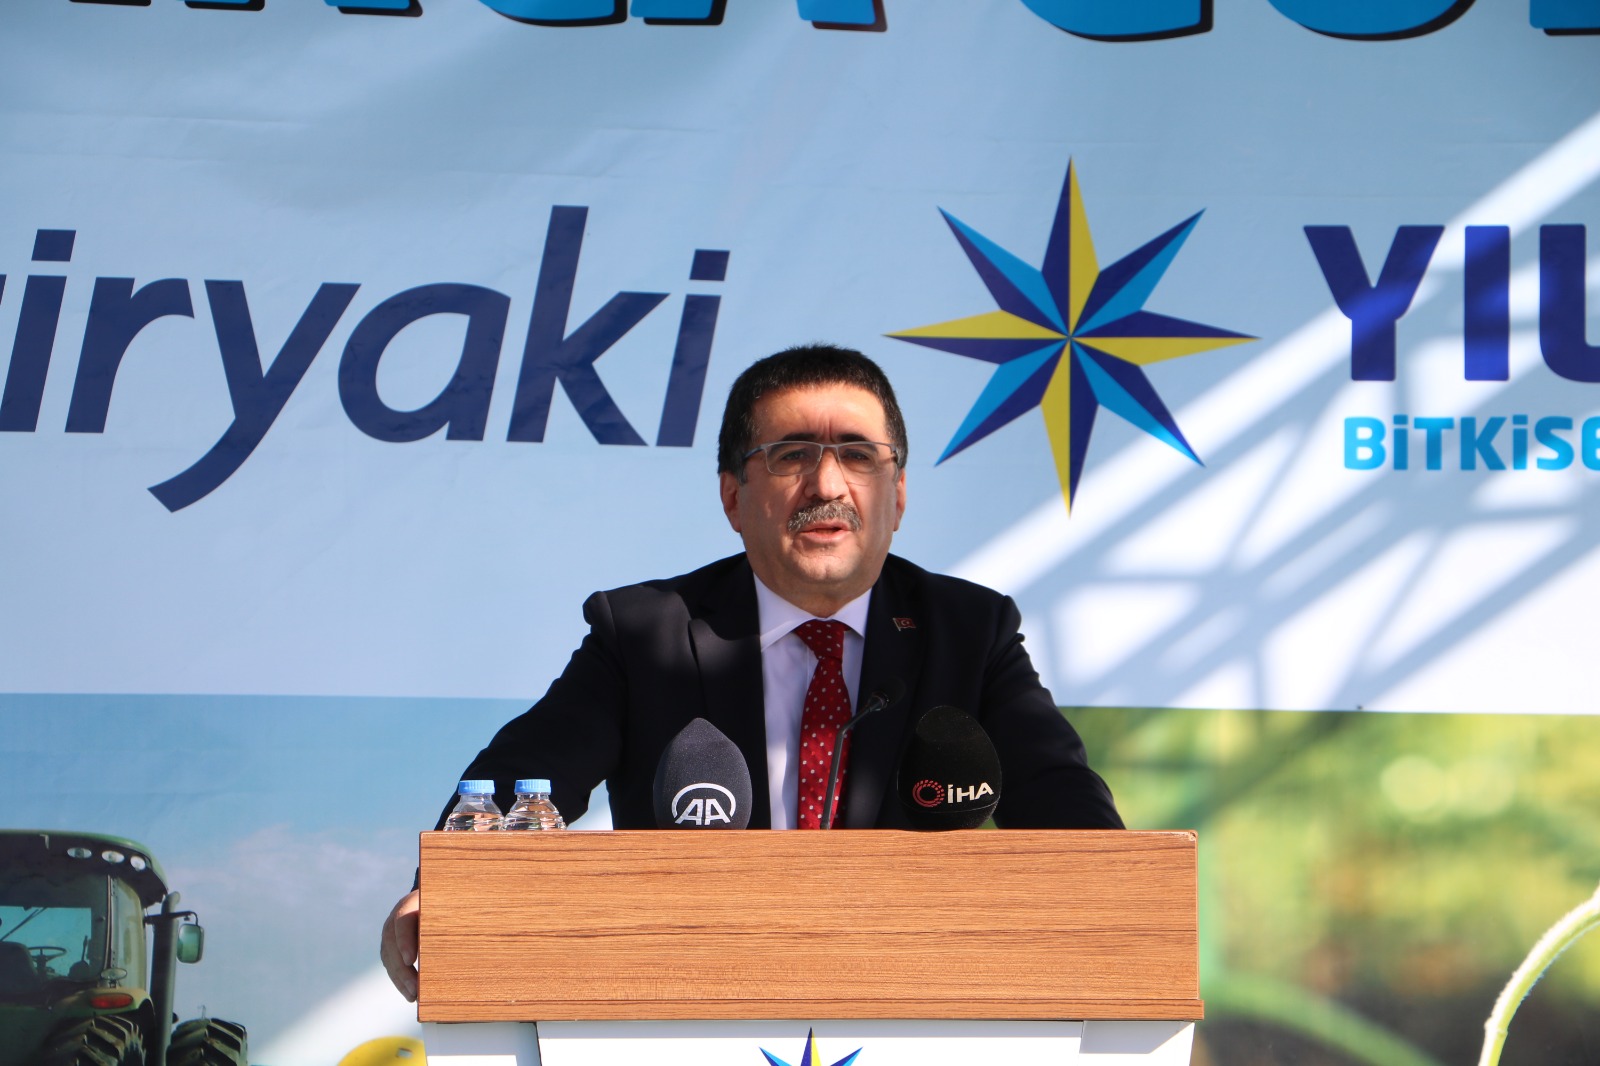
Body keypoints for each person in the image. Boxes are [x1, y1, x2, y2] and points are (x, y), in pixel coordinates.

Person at [379, 343, 1121, 1001]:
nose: (827, 485)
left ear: (897, 496)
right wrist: (446, 889)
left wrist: (1122, 902)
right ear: (733, 496)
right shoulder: (644, 633)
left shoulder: (970, 631)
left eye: (859, 455)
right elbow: (520, 782)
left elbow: (1067, 810)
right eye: (791, 455)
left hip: (918, 1001)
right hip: (692, 1005)